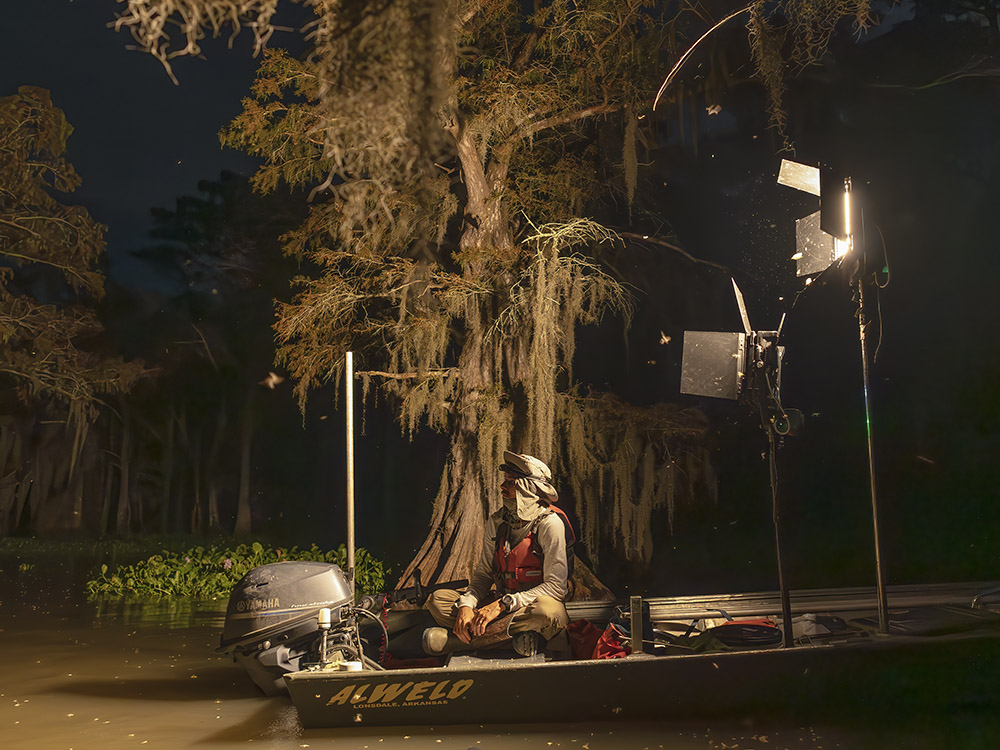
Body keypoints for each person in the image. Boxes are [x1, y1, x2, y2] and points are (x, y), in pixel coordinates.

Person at [423, 451, 573, 658]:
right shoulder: (497, 521)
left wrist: (503, 605)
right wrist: (467, 606)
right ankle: (516, 638)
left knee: (549, 612)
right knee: (438, 601)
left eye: (511, 482)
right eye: (505, 480)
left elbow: (556, 588)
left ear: (528, 488)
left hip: (528, 607)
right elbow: (483, 575)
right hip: (502, 608)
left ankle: (457, 642)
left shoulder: (550, 524)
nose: (502, 486)